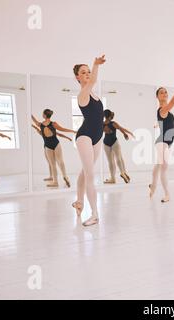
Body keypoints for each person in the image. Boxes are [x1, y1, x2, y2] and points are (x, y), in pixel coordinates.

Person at [72, 55, 106, 226]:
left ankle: (79, 202)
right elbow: (93, 81)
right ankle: (94, 214)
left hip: (98, 136)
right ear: (77, 77)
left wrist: (95, 67)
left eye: (88, 72)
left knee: (85, 173)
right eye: (83, 72)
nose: (87, 74)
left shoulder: (94, 93)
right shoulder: (83, 93)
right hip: (84, 136)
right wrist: (96, 64)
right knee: (90, 175)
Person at [149, 87, 174, 203]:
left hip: (166, 141)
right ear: (157, 97)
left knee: (158, 165)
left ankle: (153, 186)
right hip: (162, 142)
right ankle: (167, 194)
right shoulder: (163, 109)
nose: (165, 93)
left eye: (166, 92)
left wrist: (158, 125)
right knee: (164, 167)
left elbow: (164, 121)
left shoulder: (164, 110)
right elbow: (173, 102)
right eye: (161, 92)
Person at [31, 109, 75, 188]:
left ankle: (55, 182)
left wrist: (30, 114)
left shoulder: (40, 124)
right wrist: (73, 131)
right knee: (60, 162)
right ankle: (65, 177)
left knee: (53, 164)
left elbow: (35, 121)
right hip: (56, 144)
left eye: (42, 113)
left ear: (44, 115)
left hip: (48, 146)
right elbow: (63, 129)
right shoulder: (53, 123)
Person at [103, 109, 134, 184]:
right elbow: (120, 129)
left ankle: (113, 179)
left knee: (110, 161)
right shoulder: (113, 123)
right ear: (110, 115)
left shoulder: (101, 124)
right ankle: (123, 173)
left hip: (106, 143)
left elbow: (98, 132)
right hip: (114, 142)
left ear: (104, 116)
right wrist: (125, 134)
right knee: (119, 157)